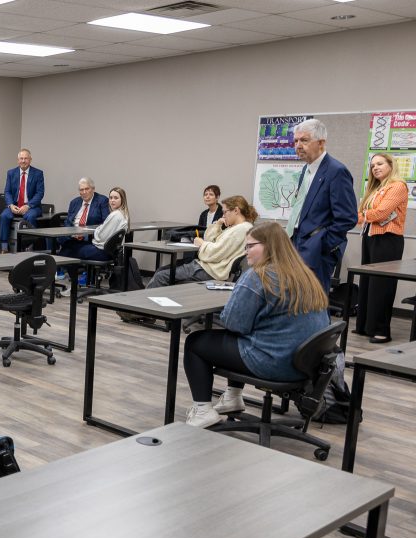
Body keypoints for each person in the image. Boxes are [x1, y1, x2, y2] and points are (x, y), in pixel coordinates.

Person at [182, 222, 330, 428]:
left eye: (251, 246)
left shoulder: (258, 275)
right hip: (305, 366)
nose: (246, 252)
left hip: (273, 362)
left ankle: (202, 411)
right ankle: (233, 397)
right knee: (240, 337)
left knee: (196, 342)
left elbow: (234, 324)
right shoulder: (305, 275)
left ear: (269, 246)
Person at [287, 118, 358, 290]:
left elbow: (347, 218)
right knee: (296, 301)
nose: (298, 145)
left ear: (321, 143)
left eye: (304, 140)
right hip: (296, 244)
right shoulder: (306, 169)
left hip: (317, 250)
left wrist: (323, 244)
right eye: (296, 141)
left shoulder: (336, 171)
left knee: (314, 304)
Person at [355, 152, 408, 343]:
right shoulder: (376, 189)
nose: (375, 167)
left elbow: (380, 213)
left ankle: (381, 331)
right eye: (373, 165)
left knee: (382, 285)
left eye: (380, 164)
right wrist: (365, 215)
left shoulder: (398, 186)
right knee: (368, 282)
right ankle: (365, 326)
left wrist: (364, 215)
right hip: (370, 238)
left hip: (388, 239)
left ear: (390, 165)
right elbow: (362, 214)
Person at [147, 195, 255, 287]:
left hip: (210, 270)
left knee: (161, 276)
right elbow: (210, 239)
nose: (223, 215)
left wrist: (202, 244)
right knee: (161, 270)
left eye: (225, 212)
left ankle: (147, 308)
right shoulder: (235, 227)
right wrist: (218, 224)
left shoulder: (241, 230)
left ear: (236, 211)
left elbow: (215, 253)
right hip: (208, 267)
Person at [58, 186, 128, 262]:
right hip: (109, 252)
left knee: (68, 248)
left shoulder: (115, 215)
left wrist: (98, 230)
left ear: (122, 200)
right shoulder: (123, 214)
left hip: (102, 252)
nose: (112, 200)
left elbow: (100, 236)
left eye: (116, 198)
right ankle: (68, 272)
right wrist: (101, 228)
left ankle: (59, 270)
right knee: (70, 246)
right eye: (110, 198)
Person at [0, 149, 45, 253]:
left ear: (30, 160)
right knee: (4, 216)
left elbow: (40, 193)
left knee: (30, 216)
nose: (23, 161)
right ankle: (4, 247)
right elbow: (7, 191)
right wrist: (10, 205)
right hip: (15, 205)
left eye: (26, 158)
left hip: (32, 207)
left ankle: (29, 247)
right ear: (18, 160)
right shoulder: (11, 173)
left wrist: (28, 206)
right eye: (21, 158)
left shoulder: (38, 173)